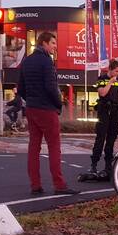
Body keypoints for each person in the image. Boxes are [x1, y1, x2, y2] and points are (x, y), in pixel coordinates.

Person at [18, 32, 78, 195]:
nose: (55, 46)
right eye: (52, 43)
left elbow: (21, 88)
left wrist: (31, 99)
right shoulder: (47, 61)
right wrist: (58, 105)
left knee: (33, 147)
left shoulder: (27, 61)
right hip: (46, 110)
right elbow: (51, 87)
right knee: (54, 147)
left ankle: (35, 185)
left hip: (31, 109)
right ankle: (59, 185)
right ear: (43, 43)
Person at [85, 60, 118, 180]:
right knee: (100, 139)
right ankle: (94, 164)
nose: (117, 74)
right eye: (116, 71)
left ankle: (108, 166)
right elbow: (102, 93)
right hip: (104, 112)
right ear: (110, 69)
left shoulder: (117, 80)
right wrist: (109, 83)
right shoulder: (101, 78)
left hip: (115, 112)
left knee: (111, 140)